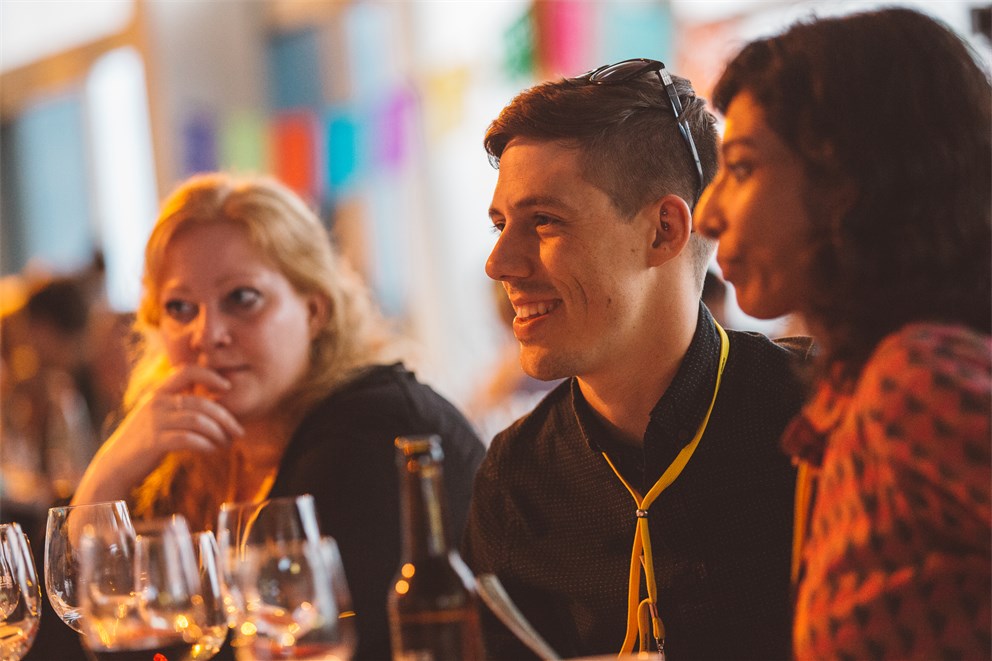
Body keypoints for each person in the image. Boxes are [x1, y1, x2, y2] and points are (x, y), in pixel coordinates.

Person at [461, 59, 813, 660]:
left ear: (664, 230)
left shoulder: (813, 419)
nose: (499, 263)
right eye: (499, 224)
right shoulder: (516, 477)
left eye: (544, 221)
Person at [72, 172, 486, 660]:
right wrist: (108, 474)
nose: (208, 335)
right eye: (181, 308)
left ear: (314, 310)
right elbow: (97, 630)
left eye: (242, 298)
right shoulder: (185, 454)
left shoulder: (377, 428)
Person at [695, 7, 991, 659]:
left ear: (850, 181)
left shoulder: (914, 381)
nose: (708, 213)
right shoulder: (860, 385)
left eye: (741, 168)